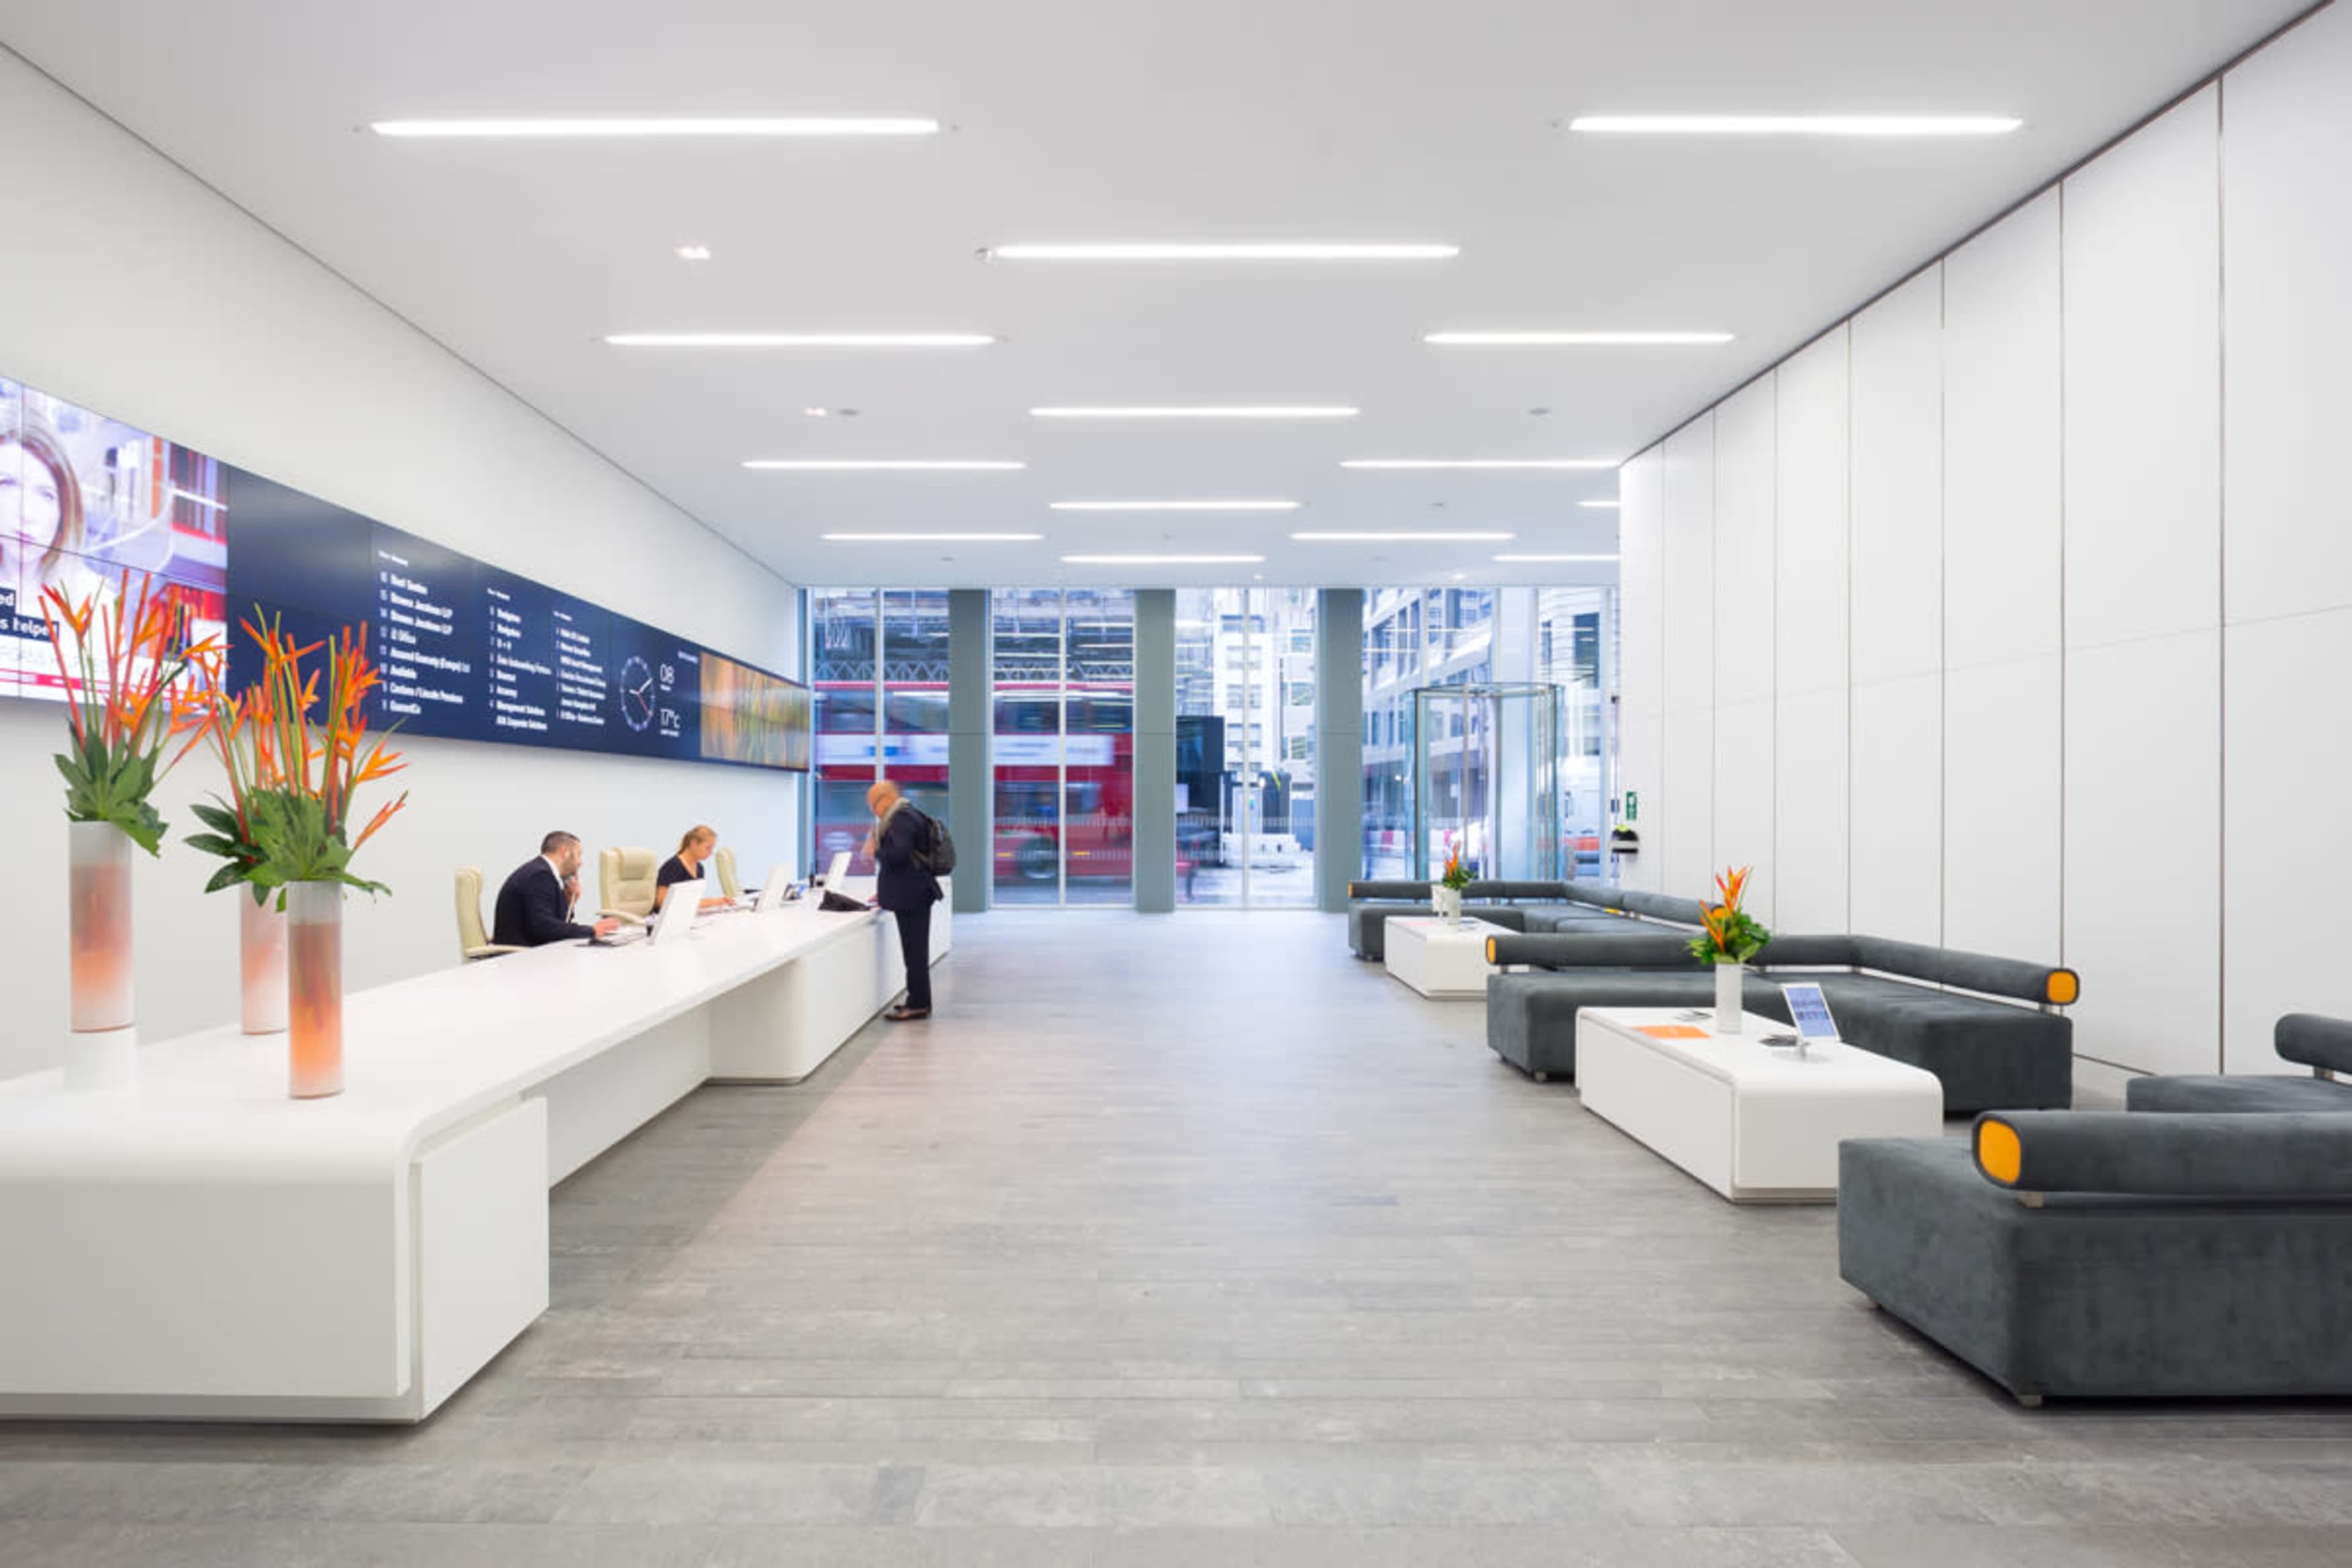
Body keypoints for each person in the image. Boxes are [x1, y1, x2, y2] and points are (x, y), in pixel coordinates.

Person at [863, 780, 940, 1021]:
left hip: (912, 896)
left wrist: (874, 849)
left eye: (873, 804)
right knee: (915, 952)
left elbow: (898, 855)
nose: (873, 810)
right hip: (913, 893)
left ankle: (917, 1005)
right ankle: (917, 1001)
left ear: (886, 799)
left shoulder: (901, 819)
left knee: (915, 953)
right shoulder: (908, 815)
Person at [492, 830, 619, 946]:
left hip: (532, 950)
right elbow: (544, 928)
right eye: (579, 855)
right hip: (521, 959)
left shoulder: (541, 872)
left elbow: (552, 925)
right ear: (565, 852)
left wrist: (569, 901)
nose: (580, 863)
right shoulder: (540, 876)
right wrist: (592, 931)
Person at [654, 824, 732, 913]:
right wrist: (714, 902)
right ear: (694, 844)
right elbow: (660, 901)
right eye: (708, 848)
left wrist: (720, 901)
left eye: (712, 848)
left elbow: (694, 901)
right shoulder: (673, 866)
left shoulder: (700, 869)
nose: (711, 853)